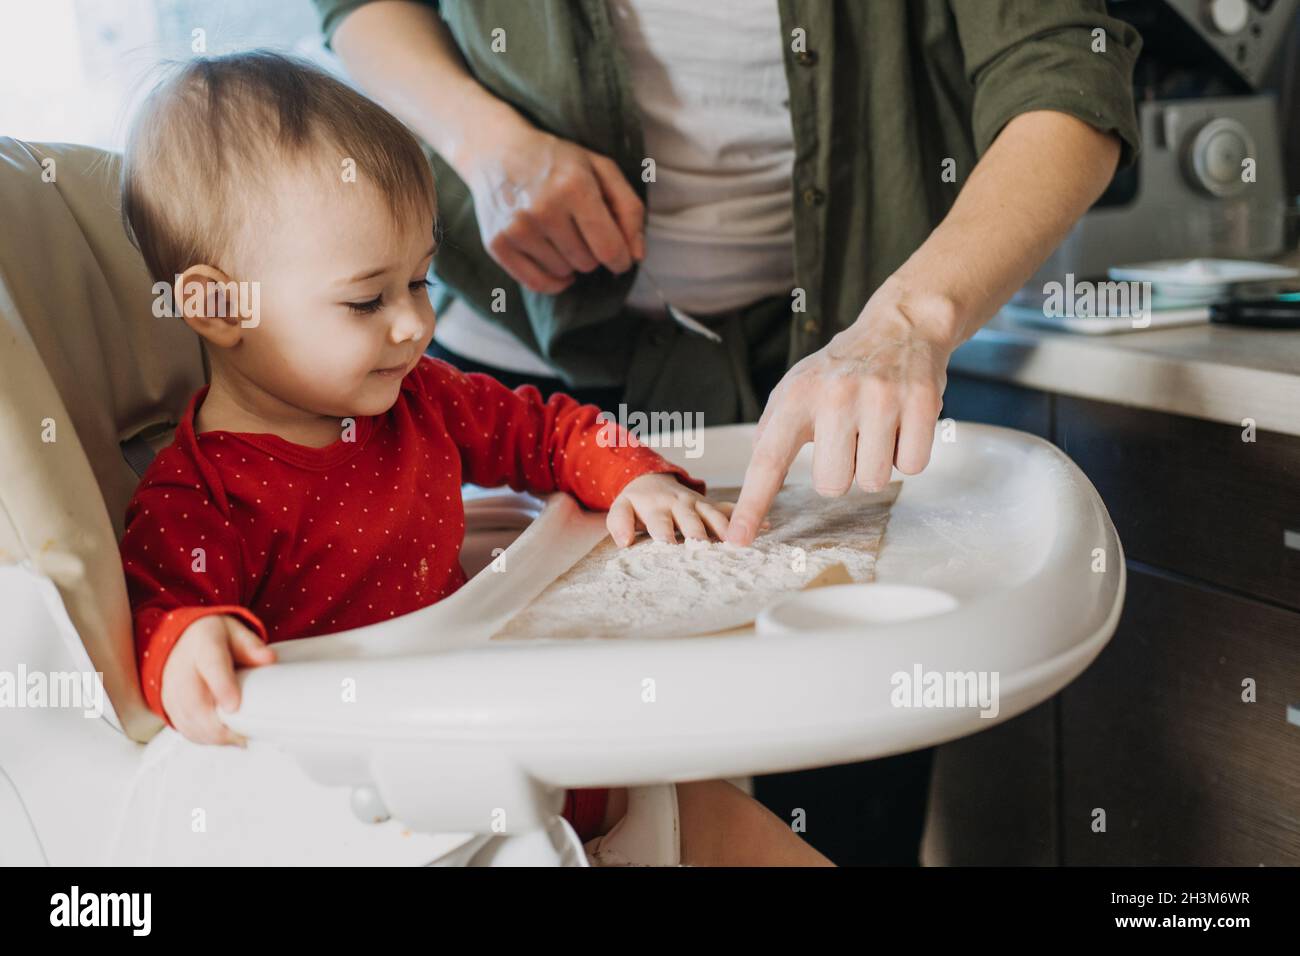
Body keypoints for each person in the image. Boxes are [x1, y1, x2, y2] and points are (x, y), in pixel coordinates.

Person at [315, 0, 1142, 863]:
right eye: (367, 299)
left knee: (846, 785)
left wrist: (908, 318)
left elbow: (1064, 62)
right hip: (521, 351)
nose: (398, 326)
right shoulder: (405, 415)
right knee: (580, 800)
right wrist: (483, 139)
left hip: (832, 367)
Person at [117, 51, 831, 865]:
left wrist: (633, 474)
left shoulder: (419, 396)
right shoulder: (198, 500)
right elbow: (155, 620)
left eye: (420, 282)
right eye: (367, 299)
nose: (413, 325)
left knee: (724, 819)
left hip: (519, 734)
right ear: (216, 306)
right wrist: (185, 646)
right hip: (398, 813)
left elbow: (547, 431)